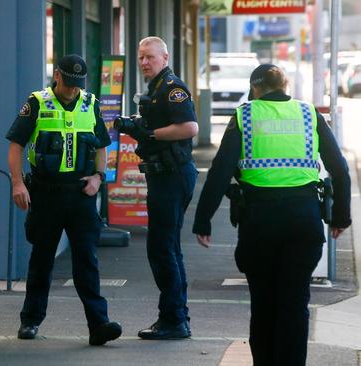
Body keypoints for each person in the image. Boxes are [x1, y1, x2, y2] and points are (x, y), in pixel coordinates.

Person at [193, 64, 351, 365]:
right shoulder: (309, 114)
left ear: (255, 89)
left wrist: (203, 220)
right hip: (303, 222)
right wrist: (341, 218)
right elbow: (340, 170)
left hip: (259, 223)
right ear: (285, 86)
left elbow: (220, 172)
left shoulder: (245, 115)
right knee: (295, 305)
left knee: (264, 305)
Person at [6, 54, 122, 346]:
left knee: (87, 260)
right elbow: (16, 145)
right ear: (57, 75)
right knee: (41, 259)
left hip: (80, 194)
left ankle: (99, 325)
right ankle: (30, 321)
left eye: (77, 84)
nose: (73, 89)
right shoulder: (37, 102)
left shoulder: (90, 104)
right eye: (69, 83)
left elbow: (101, 146)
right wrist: (18, 183)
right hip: (45, 193)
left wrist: (98, 177)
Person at [132, 37, 198, 340]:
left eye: (150, 57)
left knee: (161, 248)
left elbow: (189, 127)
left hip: (172, 175)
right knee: (168, 247)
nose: (145, 62)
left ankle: (173, 319)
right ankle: (175, 316)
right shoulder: (156, 88)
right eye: (141, 57)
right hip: (166, 175)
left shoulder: (171, 88)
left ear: (165, 57)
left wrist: (149, 133)